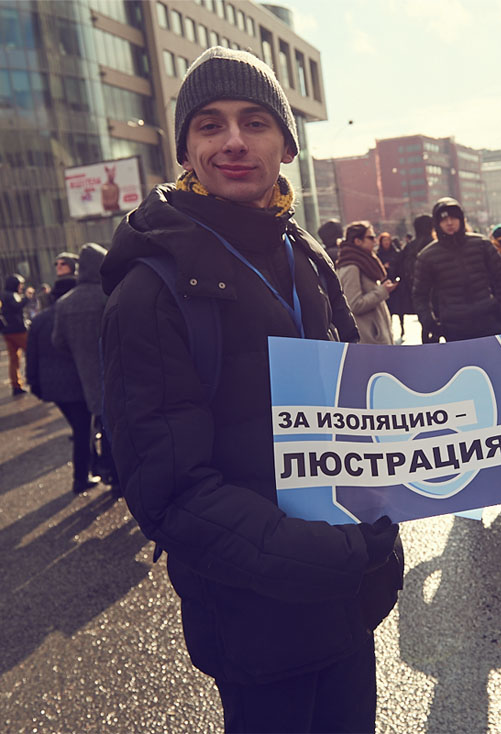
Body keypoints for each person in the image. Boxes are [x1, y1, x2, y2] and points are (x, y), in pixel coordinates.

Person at [99, 46, 403, 733]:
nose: (233, 141)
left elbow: (352, 408)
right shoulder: (149, 292)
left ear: (286, 147)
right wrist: (330, 556)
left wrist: (421, 469)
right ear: (186, 150)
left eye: (255, 122)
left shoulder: (305, 252)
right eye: (210, 125)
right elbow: (170, 493)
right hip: (257, 624)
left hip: (351, 600)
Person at [27, 277, 100, 494]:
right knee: (82, 430)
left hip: (51, 385)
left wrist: (33, 382)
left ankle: (93, 465)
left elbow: (31, 356)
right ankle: (81, 478)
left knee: (80, 428)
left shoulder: (39, 320)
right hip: (76, 382)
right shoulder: (74, 314)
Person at [52, 244, 116, 488]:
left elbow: (58, 342)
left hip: (85, 372)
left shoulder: (65, 303)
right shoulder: (108, 295)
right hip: (115, 369)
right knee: (114, 425)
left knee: (96, 422)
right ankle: (116, 478)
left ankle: (102, 471)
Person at [411, 197, 501, 343]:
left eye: (453, 218)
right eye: (444, 220)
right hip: (454, 327)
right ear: (437, 224)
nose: (449, 223)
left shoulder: (482, 244)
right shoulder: (427, 256)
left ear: (461, 219)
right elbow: (420, 295)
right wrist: (429, 323)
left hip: (490, 320)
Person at [336, 222, 396, 345]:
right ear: (358, 241)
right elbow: (354, 304)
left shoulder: (364, 261)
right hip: (368, 340)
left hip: (375, 337)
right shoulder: (351, 267)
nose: (375, 241)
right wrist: (383, 291)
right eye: (371, 237)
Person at [394, 213, 434, 342]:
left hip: (417, 292)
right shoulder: (435, 244)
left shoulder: (410, 246)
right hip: (438, 293)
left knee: (426, 328)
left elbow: (399, 267)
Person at [0, 274, 29, 396]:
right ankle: (35, 379)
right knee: (32, 353)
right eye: (20, 284)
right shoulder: (11, 295)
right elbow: (16, 306)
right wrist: (26, 298)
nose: (21, 287)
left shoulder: (3, 295)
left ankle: (16, 384)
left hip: (8, 331)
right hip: (18, 330)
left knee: (14, 359)